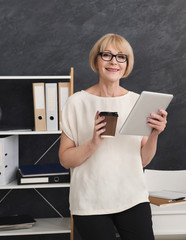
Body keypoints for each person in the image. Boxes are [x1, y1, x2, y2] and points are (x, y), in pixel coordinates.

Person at [58, 33, 168, 240]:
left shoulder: (138, 102)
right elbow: (65, 159)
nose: (113, 62)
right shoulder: (76, 102)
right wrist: (93, 143)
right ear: (96, 60)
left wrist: (154, 134)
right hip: (90, 202)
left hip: (132, 198)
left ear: (126, 64)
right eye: (107, 55)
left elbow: (141, 161)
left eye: (121, 57)